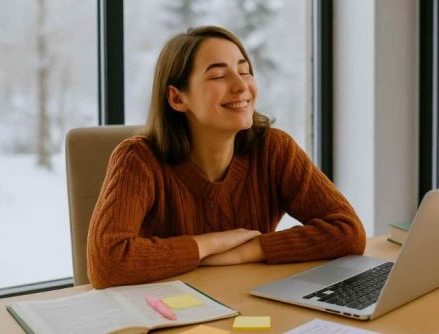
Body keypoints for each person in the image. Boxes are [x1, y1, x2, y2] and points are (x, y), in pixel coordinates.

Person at [87, 26, 365, 289]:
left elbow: (348, 232)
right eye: (219, 76)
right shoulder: (137, 159)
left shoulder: (273, 149)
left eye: (244, 71)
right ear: (177, 98)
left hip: (246, 301)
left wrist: (246, 251)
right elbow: (107, 264)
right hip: (170, 313)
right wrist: (210, 244)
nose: (241, 86)